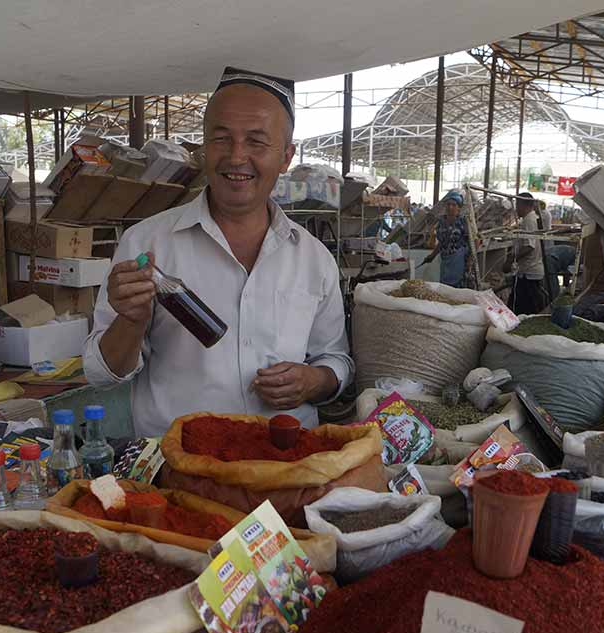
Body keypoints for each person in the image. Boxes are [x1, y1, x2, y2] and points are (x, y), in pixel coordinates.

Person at [83, 66, 353, 437]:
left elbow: (336, 360)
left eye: (257, 142)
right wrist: (130, 321)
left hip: (285, 464)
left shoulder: (314, 259)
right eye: (221, 139)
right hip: (178, 469)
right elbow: (101, 375)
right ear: (204, 148)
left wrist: (314, 380)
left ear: (286, 156)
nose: (237, 157)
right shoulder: (146, 245)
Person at [506, 192, 547, 315]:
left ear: (523, 205)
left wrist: (512, 259)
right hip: (529, 271)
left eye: (517, 204)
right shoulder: (531, 218)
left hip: (528, 273)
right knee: (524, 305)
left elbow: (529, 246)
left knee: (522, 308)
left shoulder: (529, 220)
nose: (516, 208)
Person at [419, 190, 469, 287]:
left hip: (458, 259)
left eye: (454, 205)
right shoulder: (441, 222)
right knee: (444, 286)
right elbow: (441, 242)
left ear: (458, 208)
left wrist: (470, 261)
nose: (450, 207)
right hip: (445, 260)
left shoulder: (463, 222)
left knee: (456, 287)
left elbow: (474, 240)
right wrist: (432, 256)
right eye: (448, 204)